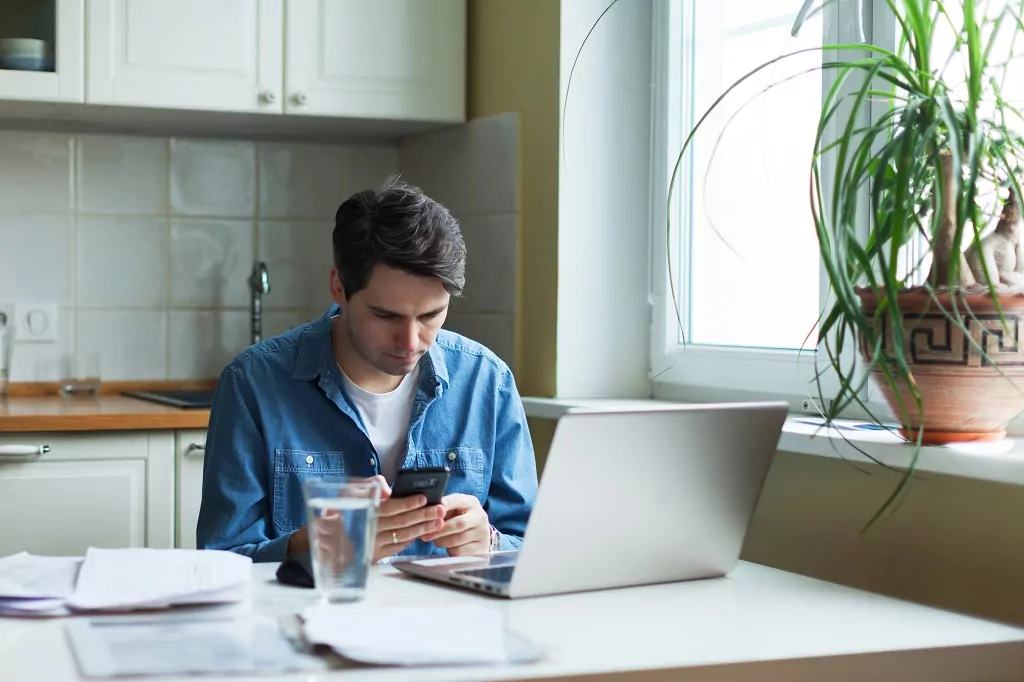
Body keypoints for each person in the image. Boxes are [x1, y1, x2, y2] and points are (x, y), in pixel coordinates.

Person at [196, 176, 538, 563]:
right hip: (308, 618)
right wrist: (314, 547)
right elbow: (221, 559)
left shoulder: (487, 382)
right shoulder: (252, 384)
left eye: (431, 315)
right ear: (338, 287)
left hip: (446, 621)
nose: (410, 342)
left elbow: (530, 545)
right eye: (384, 315)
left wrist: (490, 543)